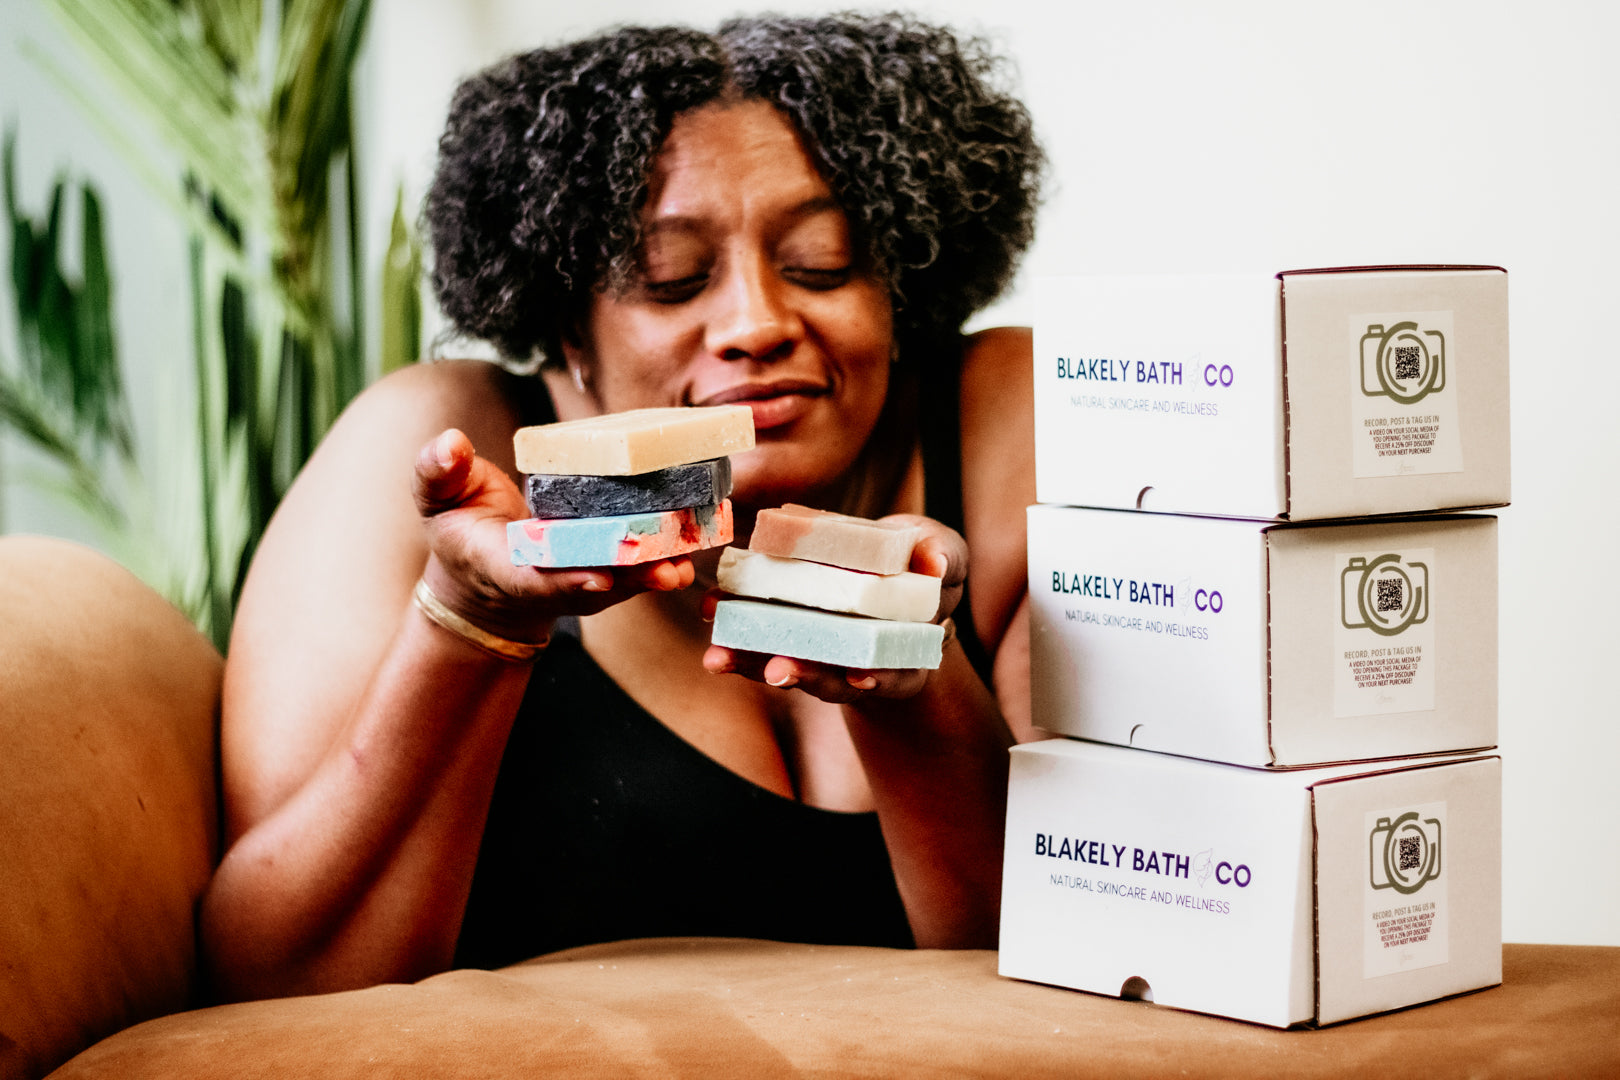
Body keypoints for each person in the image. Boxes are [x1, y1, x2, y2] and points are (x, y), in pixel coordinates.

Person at [199, 11, 1044, 1002]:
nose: (756, 324)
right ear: (567, 333)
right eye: (672, 279)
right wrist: (472, 624)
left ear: (899, 278)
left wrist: (913, 676)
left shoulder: (1002, 421)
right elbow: (274, 980)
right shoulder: (444, 446)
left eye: (820, 261)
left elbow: (1103, 952)